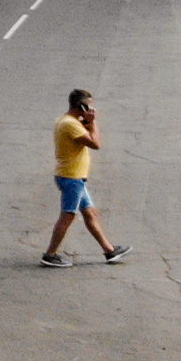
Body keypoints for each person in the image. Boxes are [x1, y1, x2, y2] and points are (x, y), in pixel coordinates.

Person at [40, 89, 129, 267]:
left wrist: (87, 121)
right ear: (81, 106)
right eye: (89, 106)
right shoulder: (70, 125)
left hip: (76, 177)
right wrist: (93, 123)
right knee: (68, 216)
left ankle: (109, 250)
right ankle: (50, 255)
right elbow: (95, 143)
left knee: (90, 214)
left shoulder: (68, 120)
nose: (92, 109)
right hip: (72, 178)